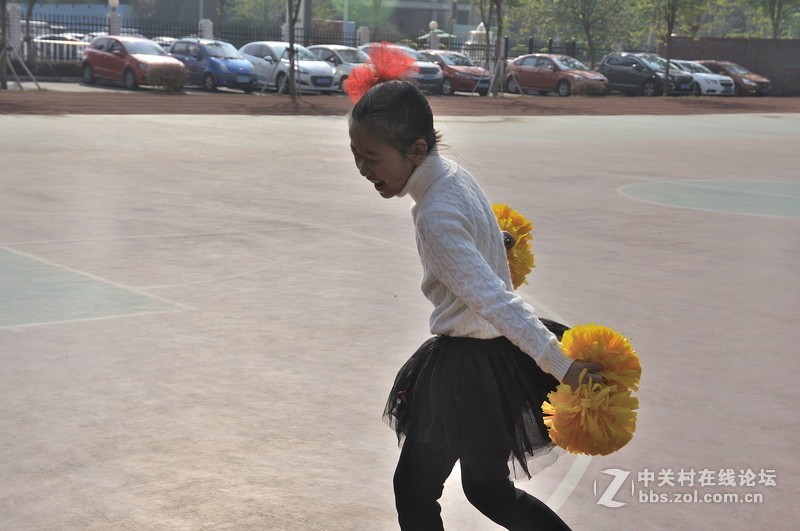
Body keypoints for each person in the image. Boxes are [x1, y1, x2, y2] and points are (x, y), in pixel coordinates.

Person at [347, 71, 602, 529]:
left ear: (416, 150)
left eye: (372, 157)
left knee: (415, 490)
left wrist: (561, 364)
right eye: (355, 154)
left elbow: (495, 300)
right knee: (487, 488)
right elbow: (475, 248)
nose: (363, 168)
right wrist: (498, 241)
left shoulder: (435, 215)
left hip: (463, 373)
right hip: (496, 364)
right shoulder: (452, 177)